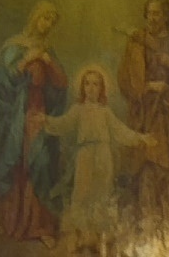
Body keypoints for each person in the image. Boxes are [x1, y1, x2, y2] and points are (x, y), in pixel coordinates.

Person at [0, 2, 72, 239]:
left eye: (52, 21)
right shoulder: (14, 46)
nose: (47, 25)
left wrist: (47, 61)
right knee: (18, 164)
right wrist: (26, 61)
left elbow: (62, 84)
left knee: (40, 162)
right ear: (35, 18)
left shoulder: (48, 50)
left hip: (39, 111)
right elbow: (3, 83)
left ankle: (40, 226)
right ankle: (16, 224)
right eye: (45, 18)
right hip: (17, 115)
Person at [116, 0, 169, 226]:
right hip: (144, 113)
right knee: (146, 164)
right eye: (150, 13)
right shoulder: (135, 43)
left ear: (166, 16)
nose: (152, 18)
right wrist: (148, 87)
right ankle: (147, 220)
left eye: (157, 13)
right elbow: (125, 81)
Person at [58, 64, 141, 252]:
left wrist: (140, 138)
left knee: (102, 193)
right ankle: (82, 235)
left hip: (104, 156)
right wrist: (45, 120)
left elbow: (120, 131)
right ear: (82, 87)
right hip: (85, 155)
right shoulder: (78, 109)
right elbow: (63, 124)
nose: (91, 88)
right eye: (87, 84)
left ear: (102, 88)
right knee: (82, 193)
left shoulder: (105, 111)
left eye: (96, 84)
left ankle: (98, 238)